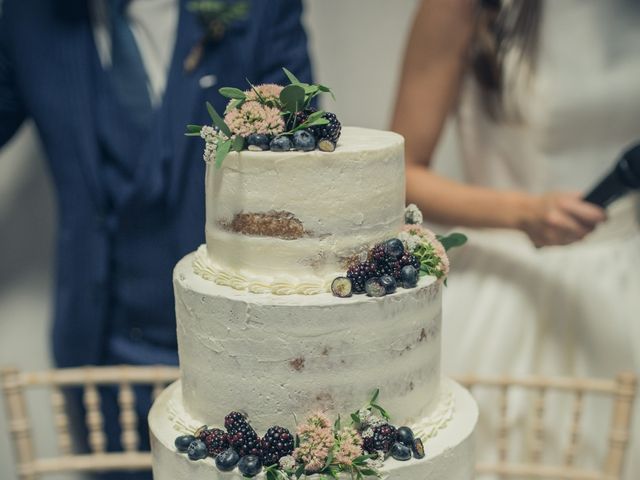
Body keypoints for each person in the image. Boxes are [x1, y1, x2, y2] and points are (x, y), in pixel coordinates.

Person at [0, 0, 313, 478]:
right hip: (99, 350)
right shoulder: (28, 17)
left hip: (241, 344)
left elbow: (301, 156)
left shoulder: (261, 9)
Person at [392, 0, 639, 477]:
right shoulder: (462, 7)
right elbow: (400, 171)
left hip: (624, 283)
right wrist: (523, 212)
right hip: (507, 284)